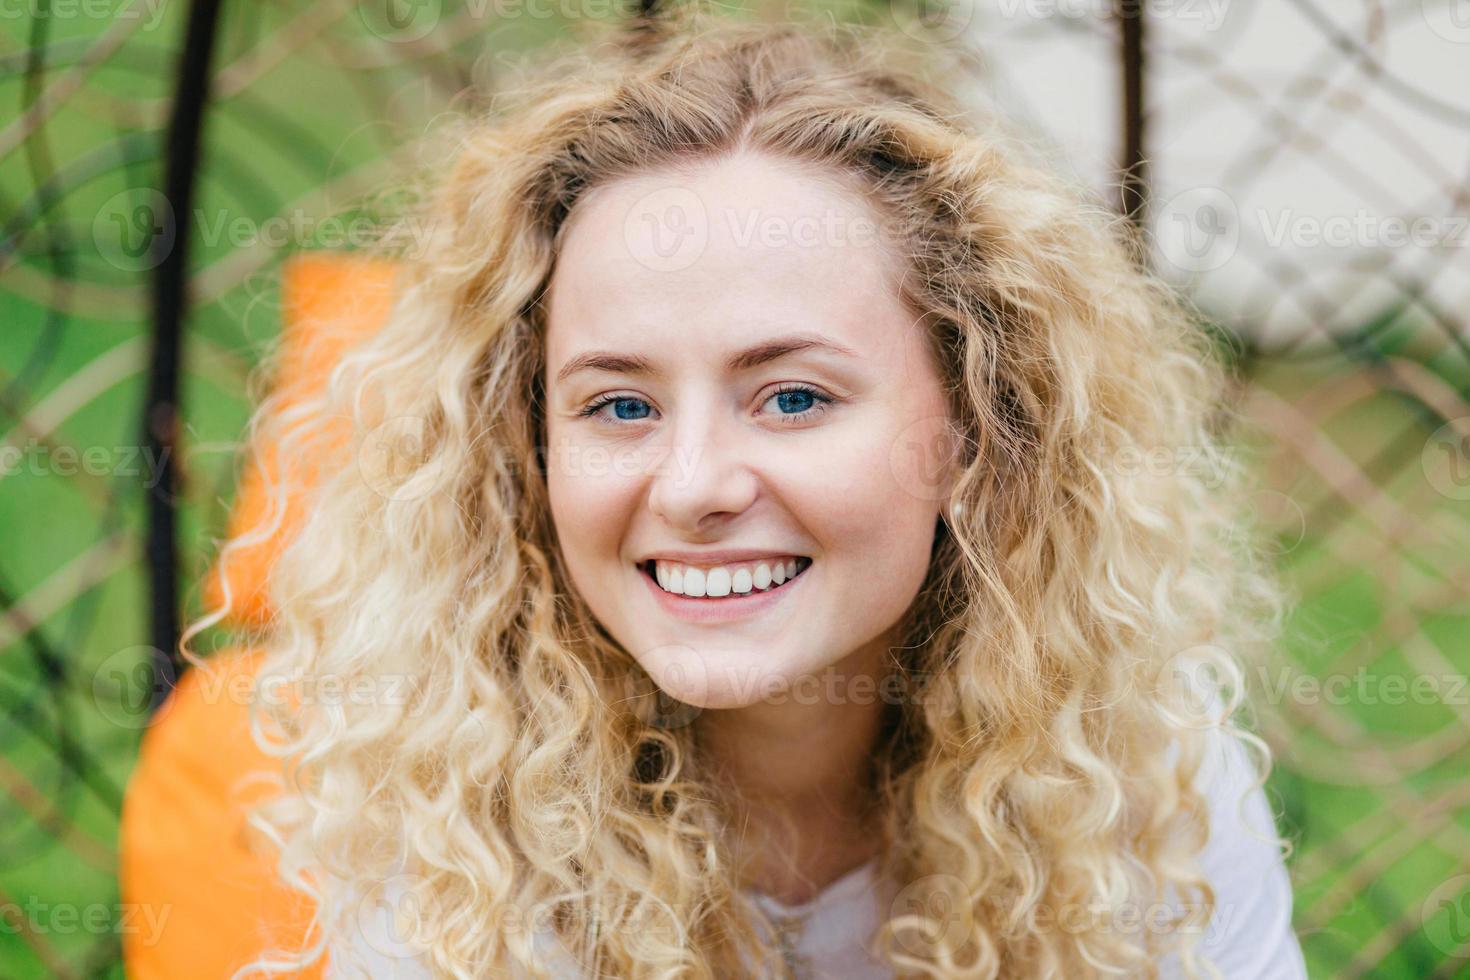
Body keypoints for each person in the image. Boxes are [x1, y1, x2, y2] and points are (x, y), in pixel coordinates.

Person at [209, 8, 1308, 978]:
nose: (692, 485)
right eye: (620, 406)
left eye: (790, 397)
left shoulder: (1140, 777)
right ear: (526, 448)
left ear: (975, 431)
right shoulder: (456, 810)